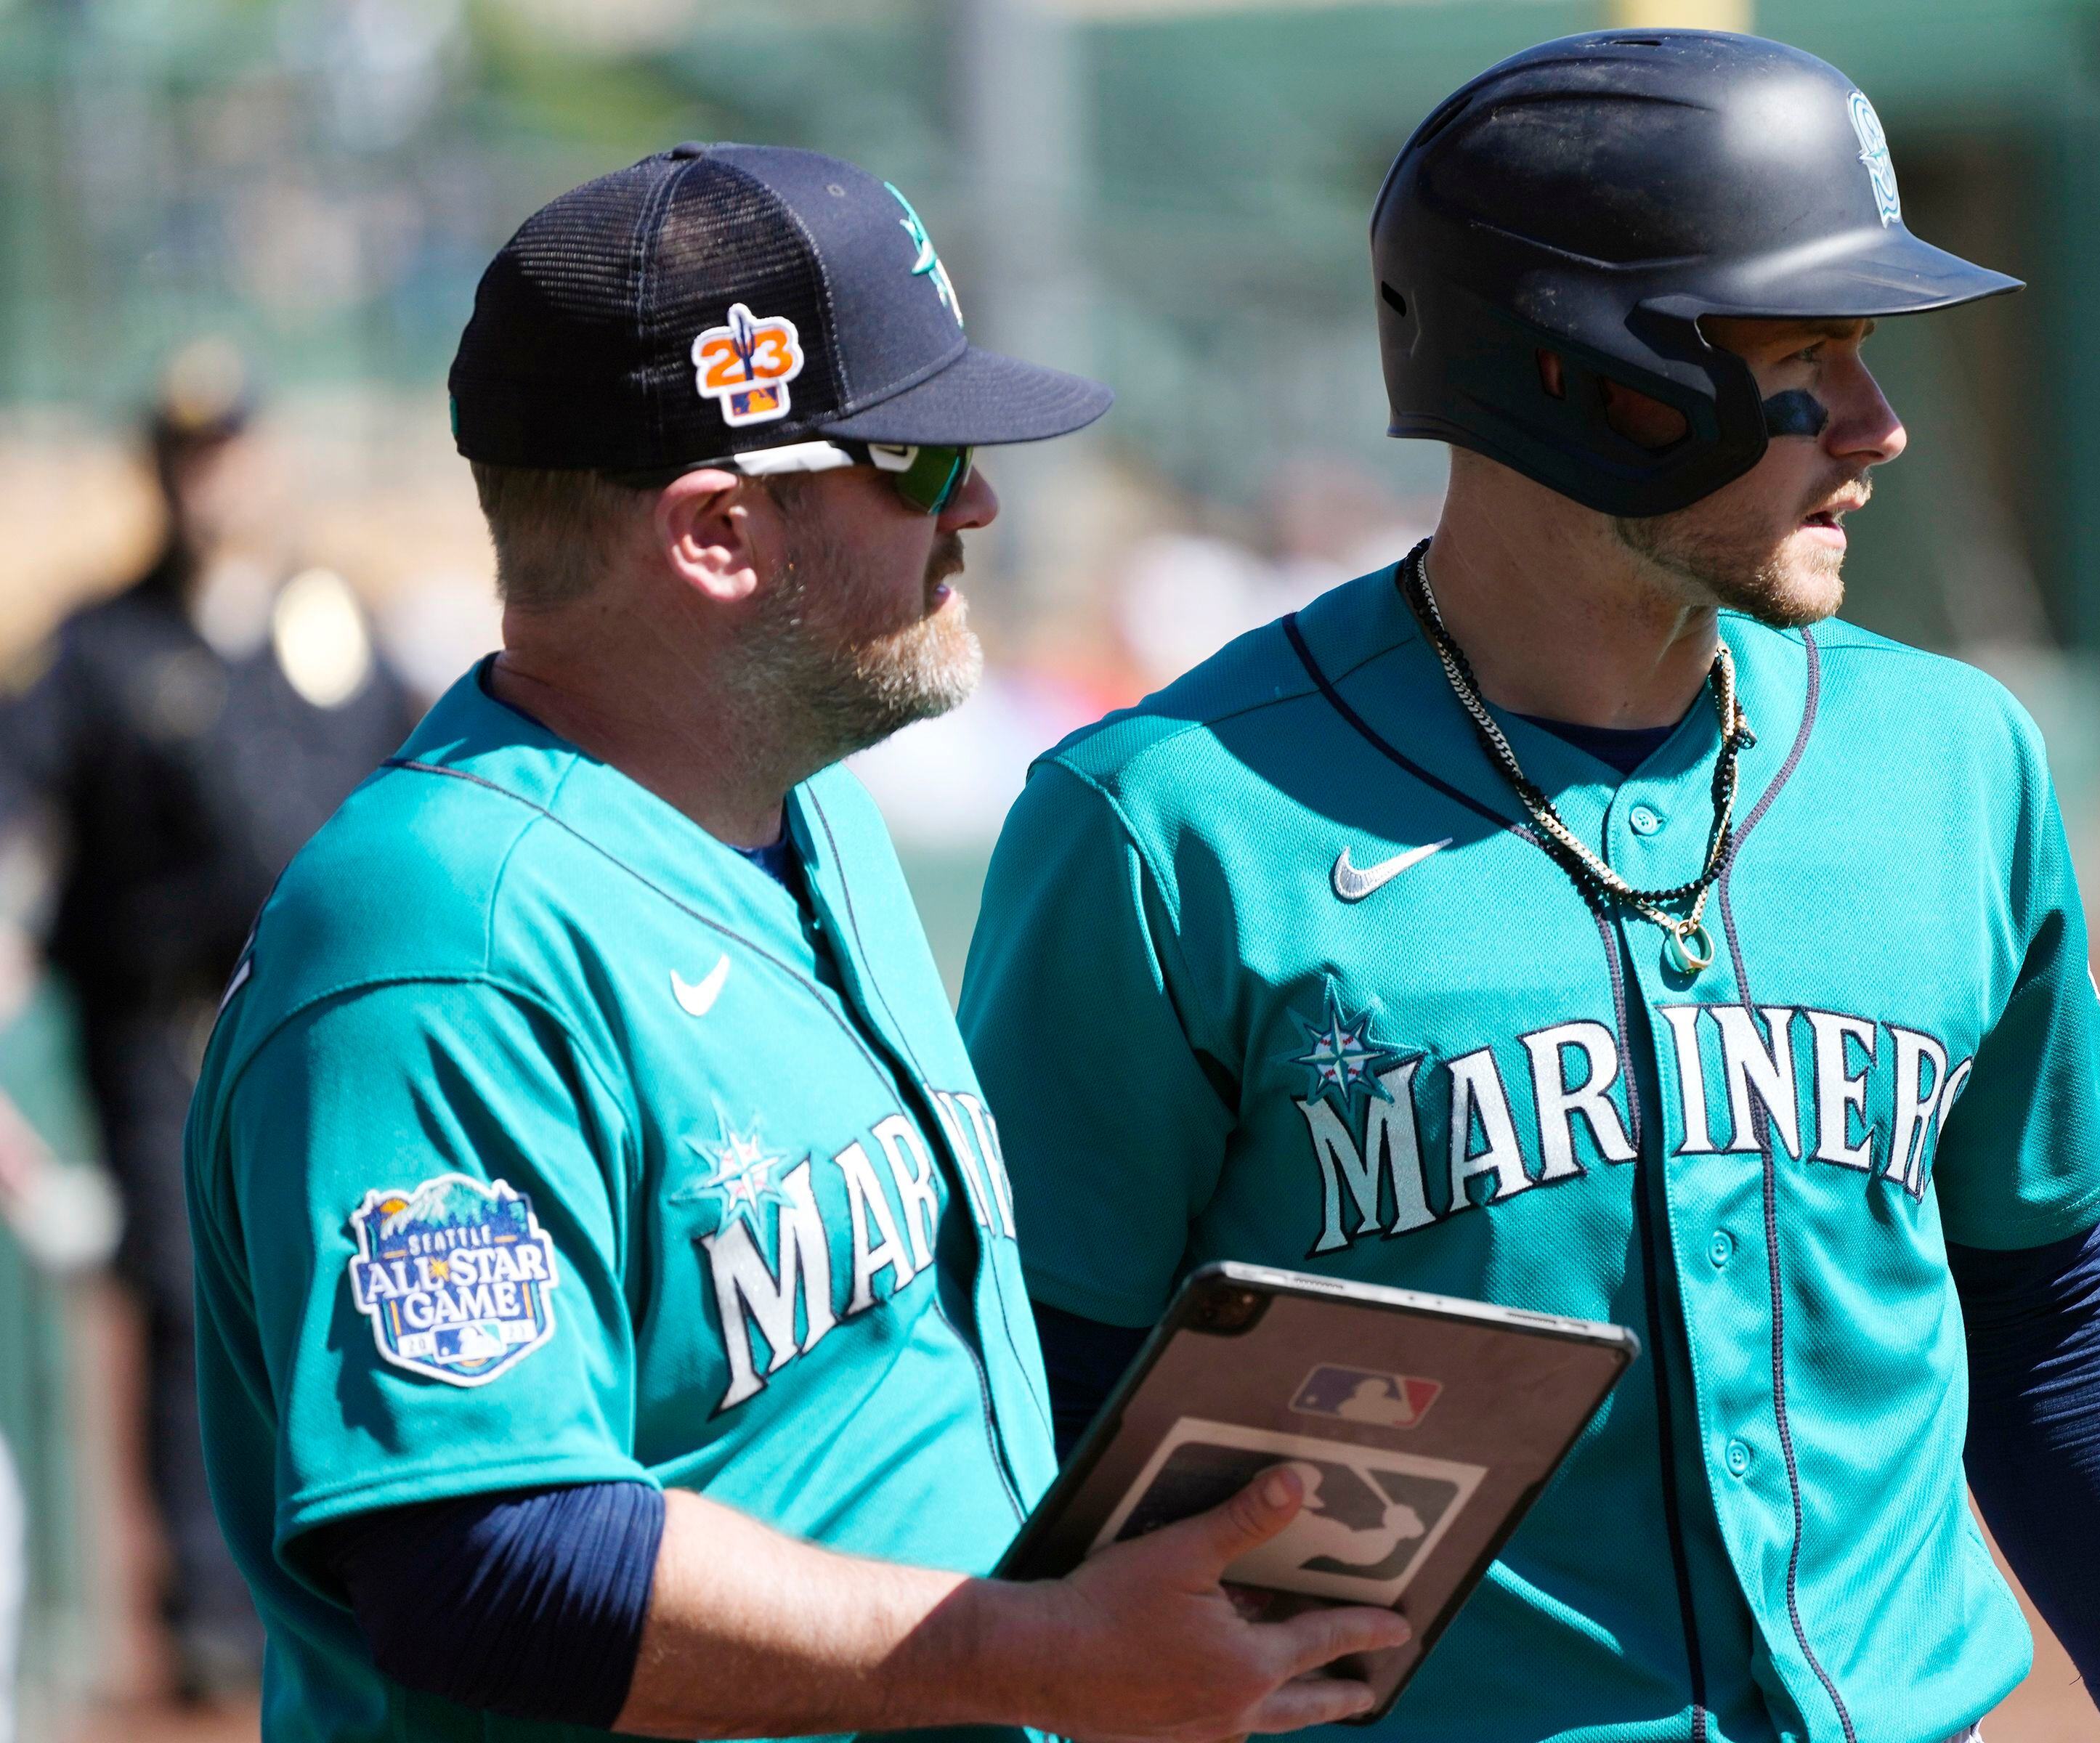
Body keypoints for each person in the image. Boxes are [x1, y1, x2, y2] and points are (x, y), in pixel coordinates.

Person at [964, 33, 2100, 1743]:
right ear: (1575, 374)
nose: (1874, 427)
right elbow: (1034, 1394)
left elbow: (2042, 1282)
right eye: (1803, 360)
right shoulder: (1171, 829)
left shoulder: (1951, 760)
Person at [184, 142, 1406, 1743]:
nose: (974, 502)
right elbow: (475, 1554)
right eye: (911, 461)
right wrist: (1039, 1657)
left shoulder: (803, 813)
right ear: (715, 535)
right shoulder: (444, 942)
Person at [0, 341, 422, 1697]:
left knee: (354, 1278)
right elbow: (21, 820)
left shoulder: (337, 625)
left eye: (230, 451)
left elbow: (418, 781)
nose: (212, 480)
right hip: (162, 1033)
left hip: (322, 1023)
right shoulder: (97, 646)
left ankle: (346, 1569)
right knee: (184, 1300)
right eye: (188, 456)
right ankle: (206, 1612)